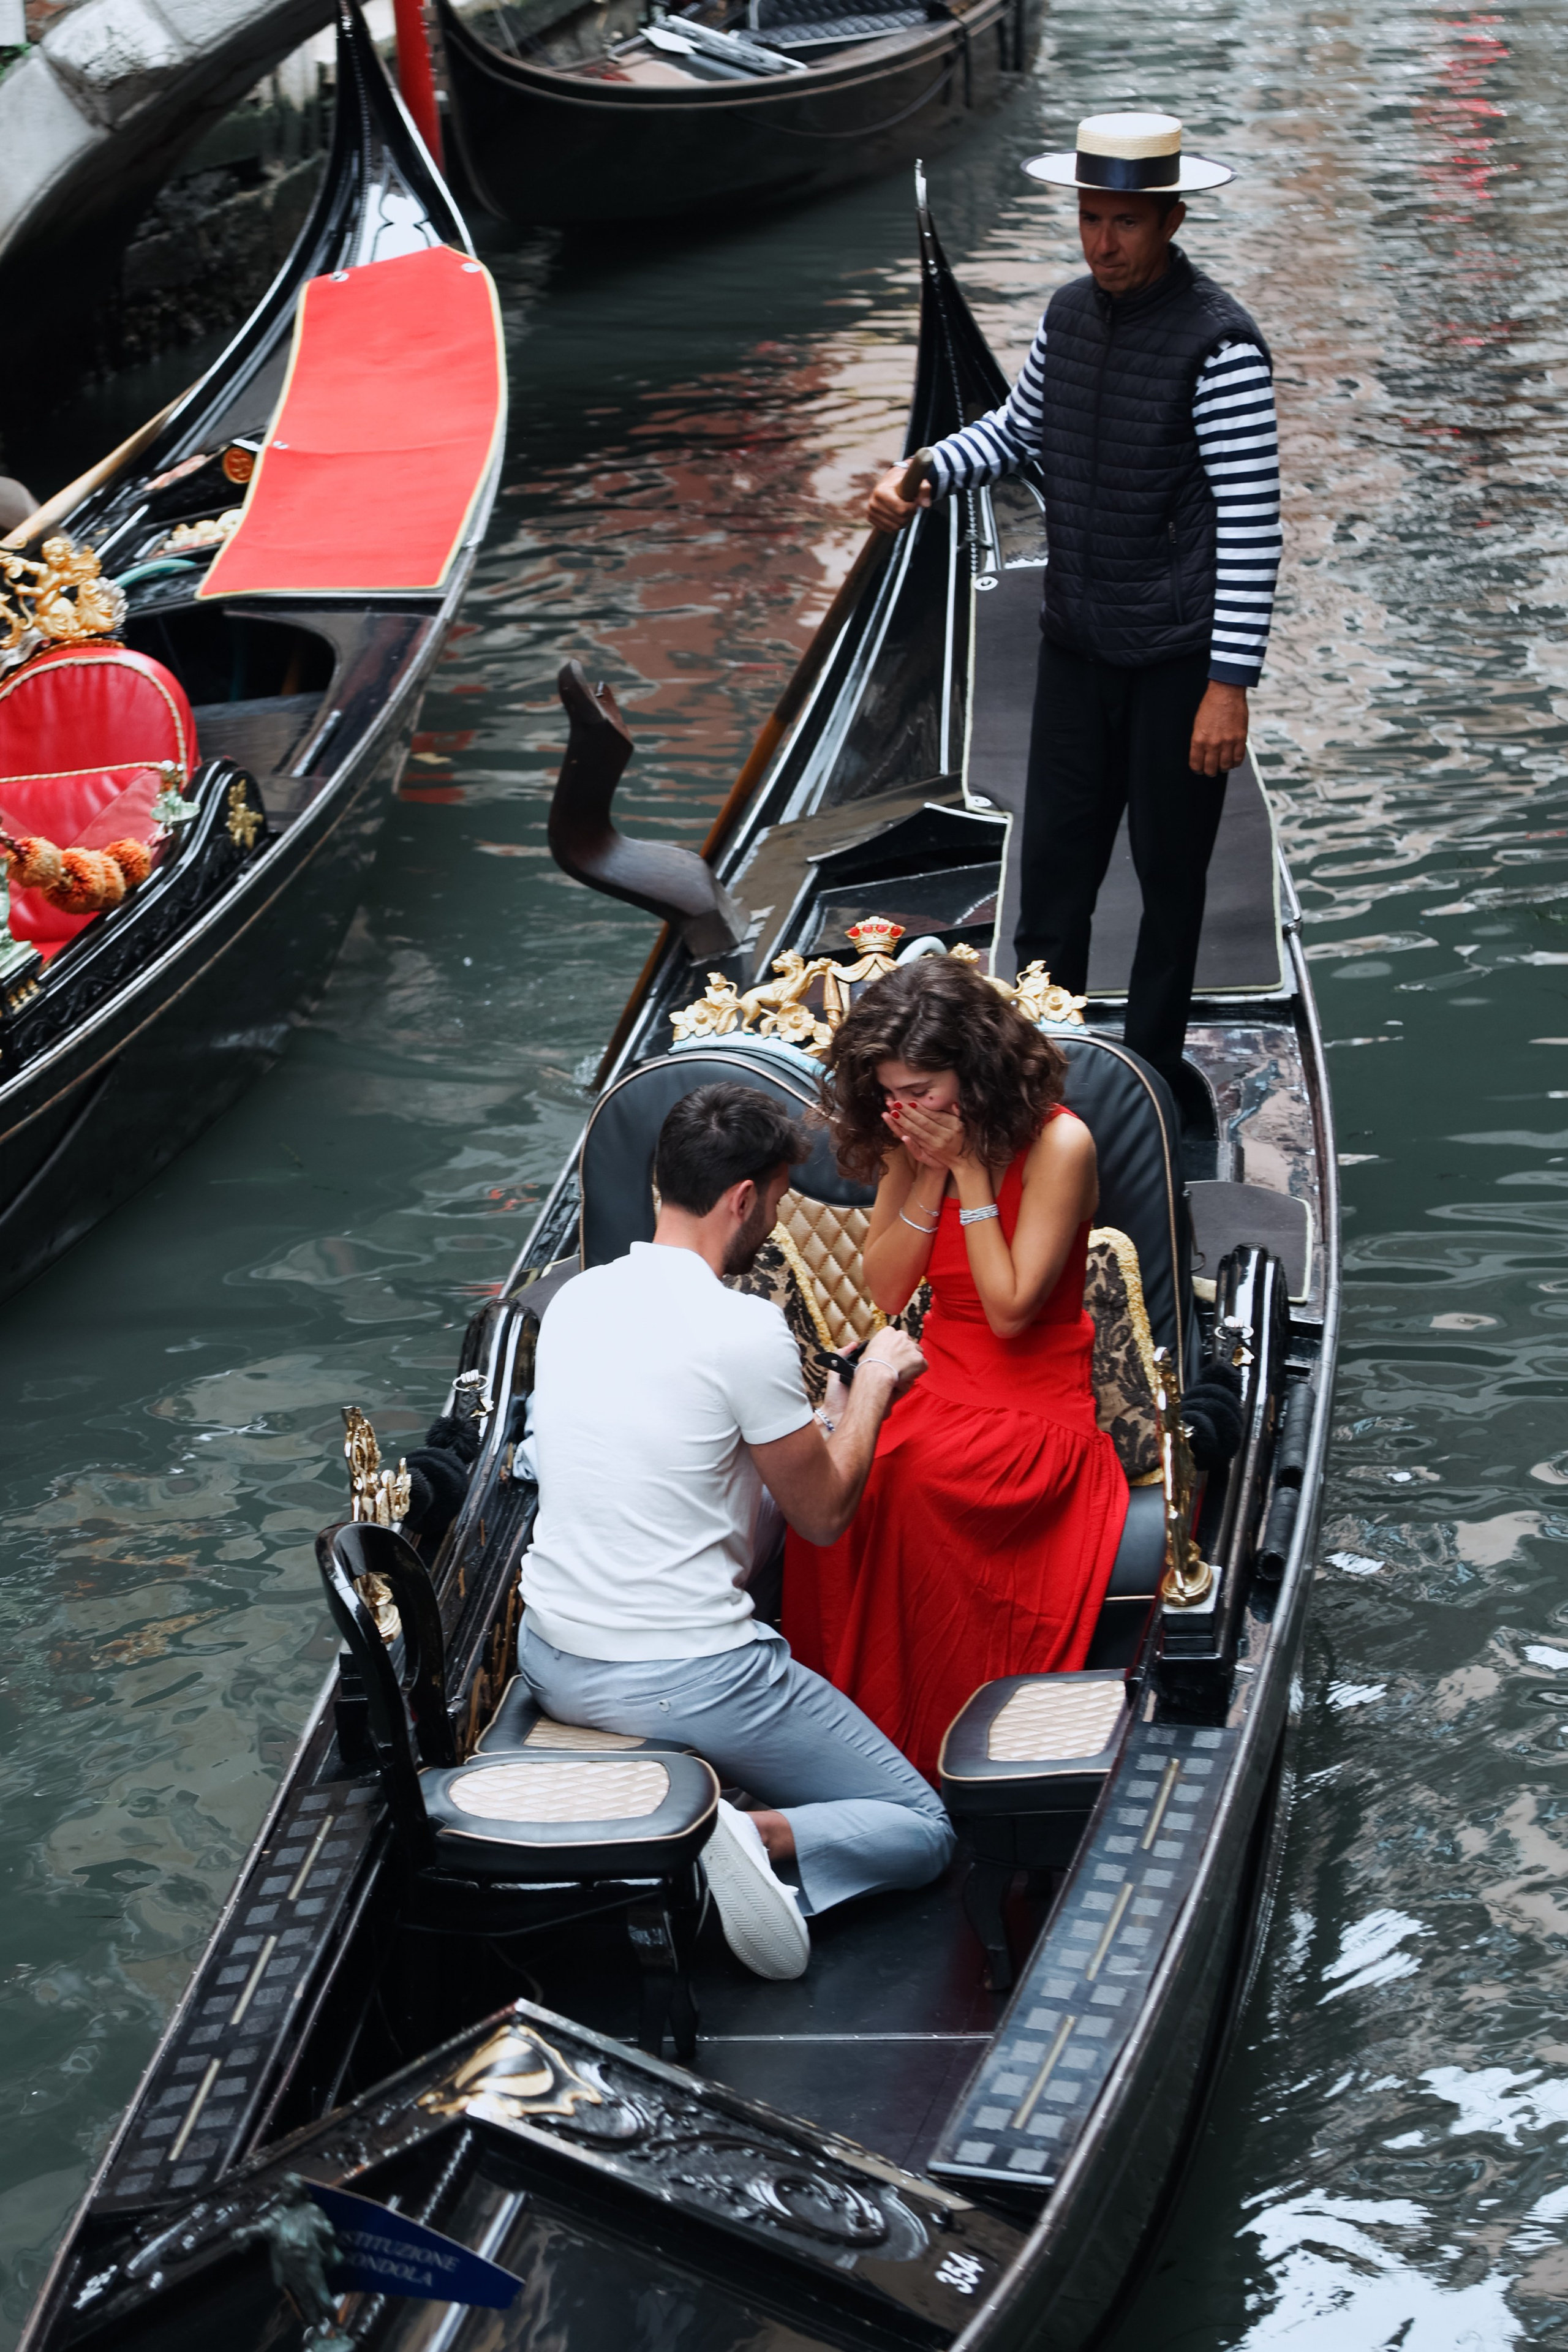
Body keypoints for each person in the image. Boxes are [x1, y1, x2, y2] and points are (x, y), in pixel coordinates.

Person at [867, 112, 1280, 1120]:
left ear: (1170, 220)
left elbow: (1251, 523)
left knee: (1170, 880)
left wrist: (1229, 686)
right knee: (1054, 870)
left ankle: (1147, 1081)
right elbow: (1018, 432)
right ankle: (1044, 1070)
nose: (1103, 242)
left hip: (1177, 660)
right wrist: (926, 470)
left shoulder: (1221, 346)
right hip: (1079, 643)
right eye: (1091, 219)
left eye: (1125, 223)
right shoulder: (1066, 314)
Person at [519, 1080, 953, 1982]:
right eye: (781, 1199)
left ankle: (713, 1829)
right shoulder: (743, 1327)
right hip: (684, 1678)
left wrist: (831, 1415)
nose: (778, 1217)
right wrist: (875, 1383)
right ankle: (735, 1834)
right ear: (744, 1198)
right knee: (922, 1829)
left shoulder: (576, 1302)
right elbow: (823, 1518)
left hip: (552, 1657)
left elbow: (710, 1477)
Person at [784, 959, 1129, 1782]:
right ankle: (848, 1750)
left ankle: (927, 1747)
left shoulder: (1061, 1143)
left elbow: (1011, 1311)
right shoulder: (911, 1138)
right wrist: (930, 1169)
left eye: (923, 1089)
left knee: (912, 1480)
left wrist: (969, 1168)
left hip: (1034, 1394)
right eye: (891, 1093)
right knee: (841, 1482)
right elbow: (888, 1289)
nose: (907, 1108)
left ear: (974, 1070)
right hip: (939, 1377)